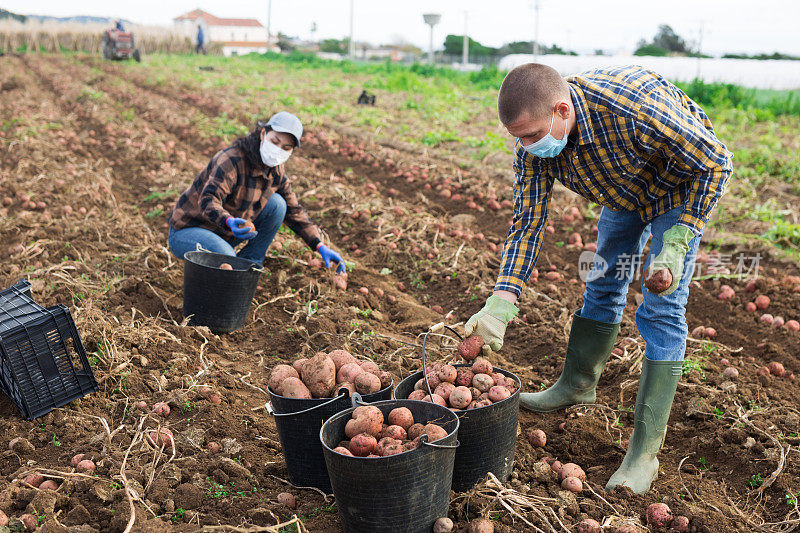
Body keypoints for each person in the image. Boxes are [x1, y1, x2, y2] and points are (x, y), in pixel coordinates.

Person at [465, 64, 732, 494]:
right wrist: (502, 299)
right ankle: (577, 385)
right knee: (603, 280)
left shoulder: (633, 112)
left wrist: (678, 241)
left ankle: (644, 453)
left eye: (533, 135)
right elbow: (527, 226)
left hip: (679, 188)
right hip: (623, 190)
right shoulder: (534, 149)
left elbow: (716, 161)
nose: (528, 146)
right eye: (519, 138)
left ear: (562, 109)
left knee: (662, 302)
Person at [168, 111, 346, 273]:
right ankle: (227, 273)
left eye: (286, 148)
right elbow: (208, 200)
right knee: (226, 257)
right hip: (190, 231)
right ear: (263, 134)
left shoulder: (277, 171)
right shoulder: (232, 160)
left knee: (278, 205)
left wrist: (319, 245)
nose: (277, 150)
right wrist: (229, 221)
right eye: (275, 141)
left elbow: (295, 212)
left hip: (226, 234)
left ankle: (249, 267)